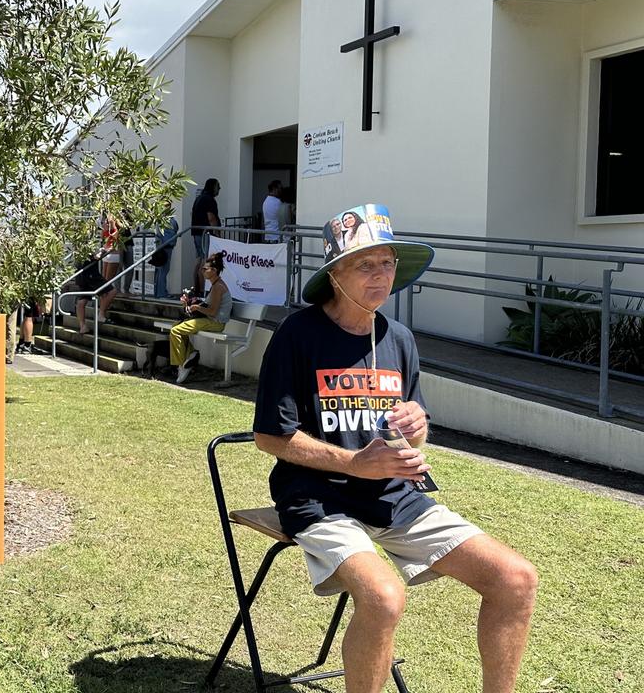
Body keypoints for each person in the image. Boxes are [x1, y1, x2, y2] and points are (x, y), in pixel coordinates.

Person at [253, 204, 537, 693]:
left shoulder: (399, 339)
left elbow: (411, 432)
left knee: (516, 579)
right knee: (384, 597)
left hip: (395, 498)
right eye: (365, 264)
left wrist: (418, 423)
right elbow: (270, 437)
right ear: (335, 275)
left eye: (387, 263)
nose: (381, 275)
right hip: (320, 501)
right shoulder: (297, 335)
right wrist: (354, 463)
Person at [168, 253, 232, 384]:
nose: (202, 271)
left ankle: (182, 366)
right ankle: (191, 354)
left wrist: (196, 307)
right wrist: (190, 303)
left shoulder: (218, 287)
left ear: (214, 271)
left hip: (215, 323)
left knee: (175, 331)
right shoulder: (215, 285)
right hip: (210, 320)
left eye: (205, 269)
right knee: (176, 327)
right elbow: (209, 307)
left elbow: (213, 312)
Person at [190, 178, 220, 258]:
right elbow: (211, 218)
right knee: (206, 259)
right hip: (205, 235)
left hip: (197, 233)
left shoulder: (199, 198)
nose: (219, 189)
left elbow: (192, 213)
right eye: (218, 186)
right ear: (213, 187)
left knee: (200, 259)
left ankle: (197, 271)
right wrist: (217, 235)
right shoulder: (209, 199)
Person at [152, 216, 179, 298]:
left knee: (159, 270)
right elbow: (175, 229)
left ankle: (157, 292)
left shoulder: (158, 219)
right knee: (163, 270)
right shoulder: (170, 220)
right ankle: (162, 293)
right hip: (166, 246)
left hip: (160, 246)